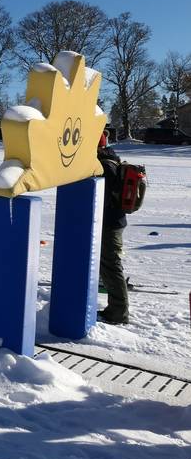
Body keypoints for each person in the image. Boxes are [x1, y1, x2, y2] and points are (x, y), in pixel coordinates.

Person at [97, 132, 129, 325]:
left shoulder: (105, 165)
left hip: (110, 223)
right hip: (112, 222)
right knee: (108, 264)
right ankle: (116, 310)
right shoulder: (110, 159)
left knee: (111, 265)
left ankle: (118, 313)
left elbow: (104, 198)